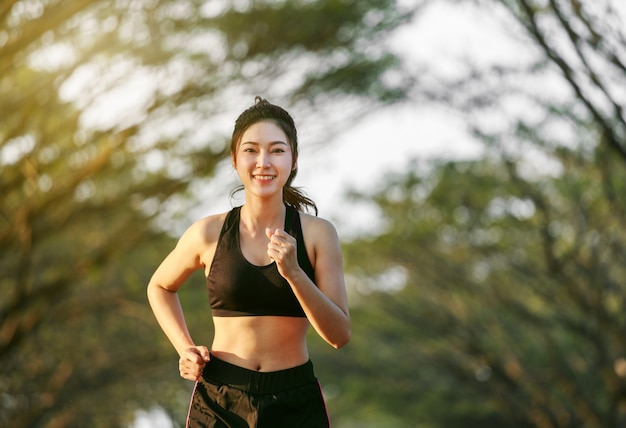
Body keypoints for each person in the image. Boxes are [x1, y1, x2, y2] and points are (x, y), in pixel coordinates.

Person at [147, 97, 351, 428]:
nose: (263, 162)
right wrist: (184, 349)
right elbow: (160, 286)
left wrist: (295, 273)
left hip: (294, 401)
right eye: (251, 150)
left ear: (294, 159)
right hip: (219, 399)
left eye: (277, 150)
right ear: (234, 159)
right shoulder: (207, 233)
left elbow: (339, 335)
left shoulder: (318, 234)